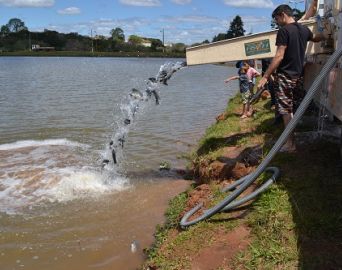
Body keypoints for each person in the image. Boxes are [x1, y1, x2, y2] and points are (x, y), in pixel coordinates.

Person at [257, 4, 325, 152]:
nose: (277, 22)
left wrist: (265, 76)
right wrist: (324, 31)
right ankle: (291, 139)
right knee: (293, 109)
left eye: (277, 19)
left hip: (286, 76)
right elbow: (317, 39)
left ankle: (290, 145)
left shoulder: (284, 31)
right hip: (298, 76)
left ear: (282, 15)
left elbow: (279, 55)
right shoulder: (304, 29)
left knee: (285, 111)